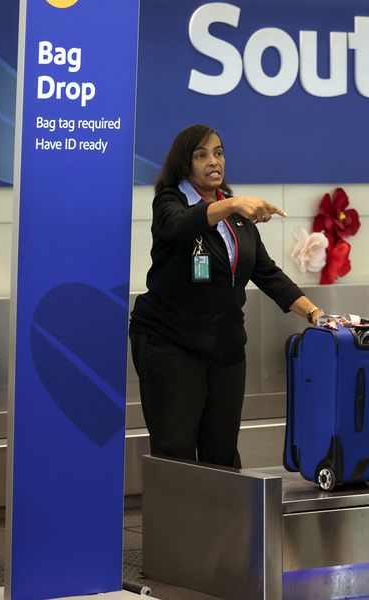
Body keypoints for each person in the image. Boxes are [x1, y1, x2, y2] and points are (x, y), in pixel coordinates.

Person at [129, 124, 328, 468]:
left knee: (222, 451)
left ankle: (221, 523)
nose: (213, 161)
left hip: (225, 345)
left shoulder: (234, 214)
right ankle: (179, 523)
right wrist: (235, 204)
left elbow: (266, 273)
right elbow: (177, 225)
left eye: (219, 153)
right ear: (184, 163)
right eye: (201, 154)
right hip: (170, 343)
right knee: (176, 450)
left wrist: (315, 314)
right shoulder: (170, 201)